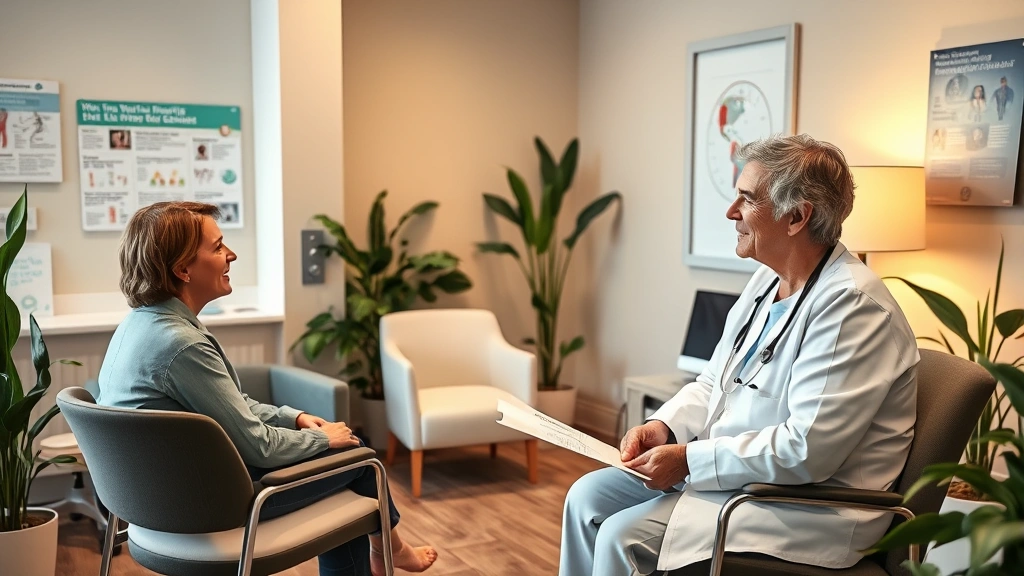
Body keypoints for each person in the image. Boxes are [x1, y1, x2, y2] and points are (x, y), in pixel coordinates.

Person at [560, 134, 918, 575]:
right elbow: (715, 382)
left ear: (797, 217)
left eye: (747, 199)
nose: (731, 212)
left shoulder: (853, 307)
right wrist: (664, 426)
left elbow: (806, 449)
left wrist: (688, 460)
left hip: (808, 505)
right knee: (586, 498)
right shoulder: (766, 283)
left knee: (622, 536)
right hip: (740, 477)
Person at [97, 202, 438, 576]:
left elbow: (232, 406)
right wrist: (324, 440)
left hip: (152, 501)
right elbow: (258, 446)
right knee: (359, 459)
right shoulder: (181, 345)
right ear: (182, 270)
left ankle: (388, 548)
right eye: (218, 247)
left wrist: (295, 418)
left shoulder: (138, 326)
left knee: (342, 455)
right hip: (204, 509)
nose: (231, 255)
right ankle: (391, 549)